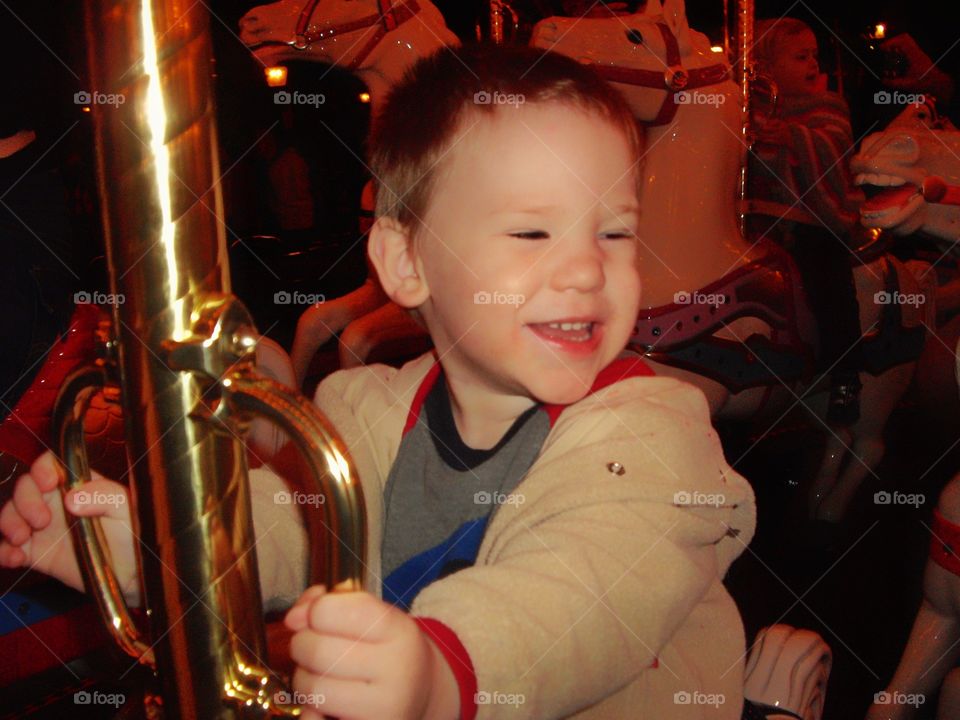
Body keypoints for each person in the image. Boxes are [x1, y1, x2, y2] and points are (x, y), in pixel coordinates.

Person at [0, 45, 757, 719]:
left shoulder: (654, 432)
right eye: (532, 231)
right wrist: (143, 546)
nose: (590, 268)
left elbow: (583, 593)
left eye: (614, 231)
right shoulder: (367, 411)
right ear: (406, 263)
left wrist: (444, 672)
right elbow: (286, 526)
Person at [748, 17, 867, 426]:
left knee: (827, 277)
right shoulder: (749, 110)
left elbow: (833, 146)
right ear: (766, 67)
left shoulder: (828, 105)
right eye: (801, 57)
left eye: (814, 55)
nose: (813, 64)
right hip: (758, 222)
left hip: (810, 221)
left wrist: (789, 136)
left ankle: (845, 377)